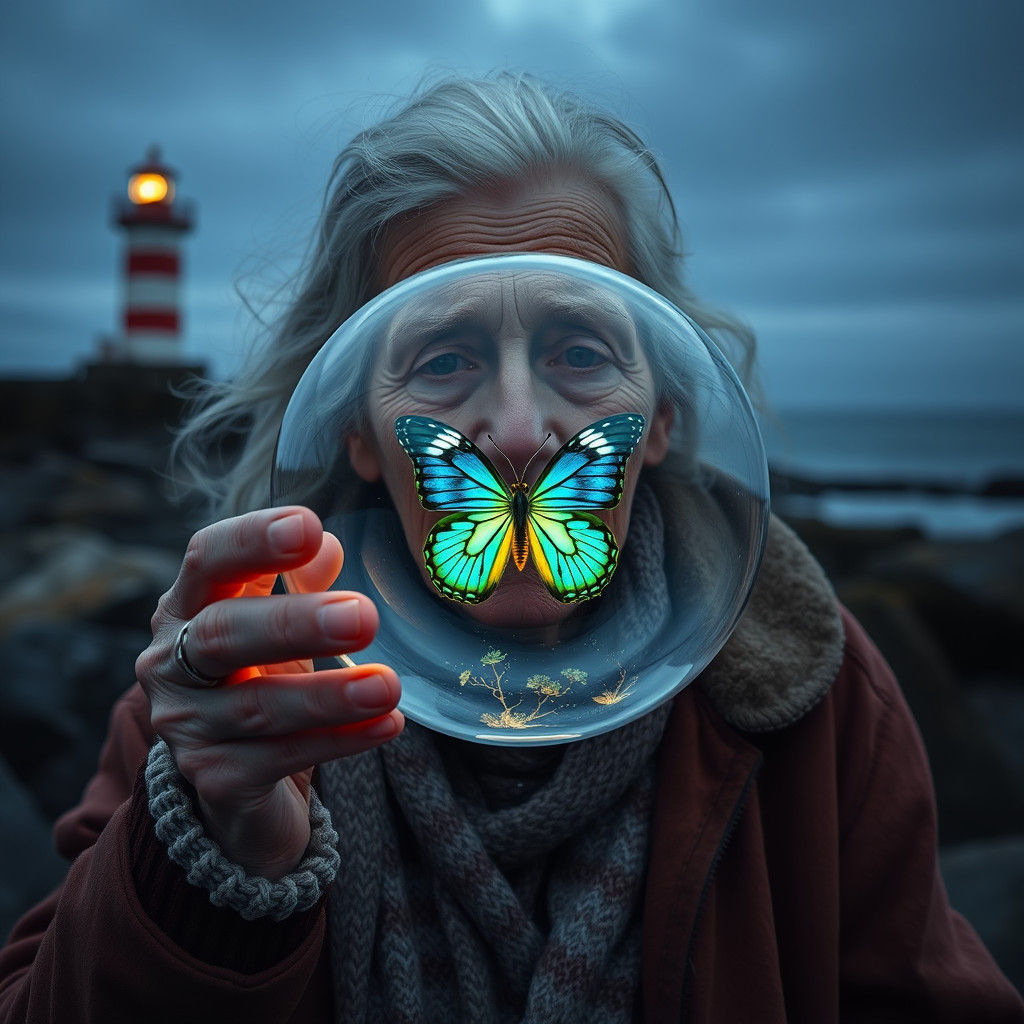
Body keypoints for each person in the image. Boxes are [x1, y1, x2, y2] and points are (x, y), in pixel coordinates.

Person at [1, 73, 1021, 1024]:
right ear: (356, 427)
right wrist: (210, 859)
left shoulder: (811, 687)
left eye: (581, 350)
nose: (524, 429)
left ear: (659, 414)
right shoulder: (229, 690)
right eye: (443, 358)